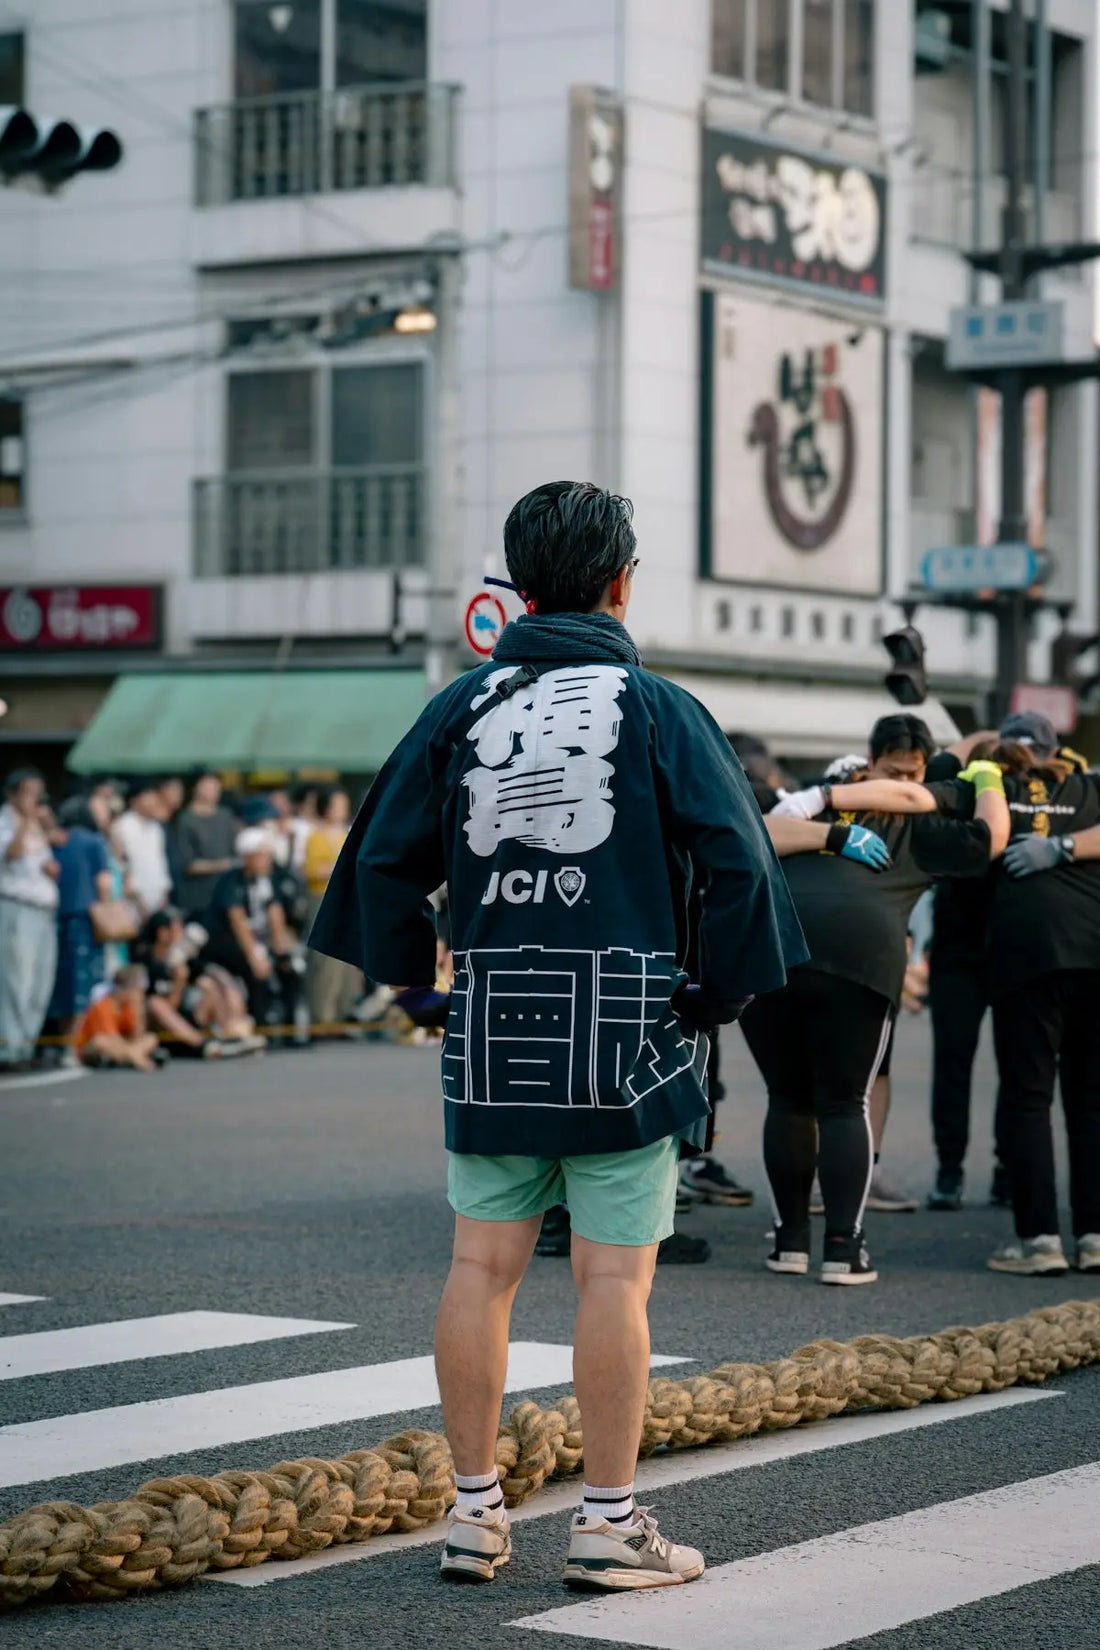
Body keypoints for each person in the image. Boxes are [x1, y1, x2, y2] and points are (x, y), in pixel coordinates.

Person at [312, 480, 805, 1591]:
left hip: (491, 1016)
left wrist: (414, 986)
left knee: (479, 1265)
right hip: (622, 1020)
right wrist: (710, 997)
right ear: (622, 581)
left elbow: (381, 857)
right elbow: (737, 861)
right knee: (611, 1284)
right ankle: (607, 1520)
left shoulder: (460, 706)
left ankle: (472, 1511)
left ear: (517, 585)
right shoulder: (656, 706)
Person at [752, 714, 1009, 1285]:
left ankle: (790, 1242)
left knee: (788, 1099)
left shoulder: (810, 802)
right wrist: (987, 779)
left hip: (772, 944)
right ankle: (843, 1249)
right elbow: (993, 837)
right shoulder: (921, 824)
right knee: (845, 1102)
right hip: (856, 950)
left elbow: (750, 832)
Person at [946, 714, 1100, 1276]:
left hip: (1027, 955)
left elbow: (943, 773)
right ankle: (1093, 1236)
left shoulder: (989, 783)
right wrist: (1066, 844)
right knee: (1090, 1103)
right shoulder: (1088, 785)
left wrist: (1051, 847)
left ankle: (1039, 1241)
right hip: (1094, 950)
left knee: (1028, 1097)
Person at [203, 826, 306, 1039]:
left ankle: (290, 1029)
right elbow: (237, 920)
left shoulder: (268, 879)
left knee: (290, 968)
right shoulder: (232, 880)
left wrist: (281, 951)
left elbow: (275, 913)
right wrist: (256, 956)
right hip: (228, 940)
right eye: (262, 855)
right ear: (247, 856)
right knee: (255, 970)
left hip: (259, 937)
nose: (267, 859)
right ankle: (260, 1027)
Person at [135, 909, 265, 1057]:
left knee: (209, 986)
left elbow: (213, 974)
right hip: (161, 1028)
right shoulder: (146, 963)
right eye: (177, 928)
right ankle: (203, 1045)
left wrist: (227, 991)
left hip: (185, 1021)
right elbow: (166, 1009)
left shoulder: (182, 960)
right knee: (155, 1003)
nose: (182, 932)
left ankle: (229, 1035)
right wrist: (179, 983)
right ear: (162, 933)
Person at [0, 768, 60, 1071]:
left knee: (40, 981)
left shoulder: (38, 823)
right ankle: (9, 1049)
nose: (35, 799)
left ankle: (27, 1044)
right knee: (16, 981)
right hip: (16, 908)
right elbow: (10, 854)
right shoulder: (5, 822)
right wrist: (26, 821)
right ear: (13, 794)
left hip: (44, 909)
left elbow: (51, 854)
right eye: (29, 792)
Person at [48, 794, 114, 1048]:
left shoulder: (57, 842)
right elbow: (103, 882)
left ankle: (62, 1039)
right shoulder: (94, 842)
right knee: (85, 983)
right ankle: (75, 1042)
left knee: (63, 980)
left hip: (57, 917)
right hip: (87, 917)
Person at [303, 787, 362, 1030]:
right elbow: (311, 871)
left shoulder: (348, 832)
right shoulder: (315, 836)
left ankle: (344, 1011)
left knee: (348, 961)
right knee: (326, 960)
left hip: (348, 898)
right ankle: (324, 1017)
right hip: (323, 898)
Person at [73, 965, 161, 1072]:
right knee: (100, 1041)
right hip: (95, 1046)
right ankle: (133, 1057)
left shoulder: (128, 1007)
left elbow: (137, 1036)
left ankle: (128, 1057)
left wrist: (139, 1011)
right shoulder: (103, 1006)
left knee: (151, 1038)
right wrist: (133, 1050)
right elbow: (111, 1037)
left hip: (120, 1045)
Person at [174, 771, 238, 918]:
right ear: (197, 788)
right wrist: (221, 865)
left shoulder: (226, 816)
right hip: (197, 898)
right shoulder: (185, 820)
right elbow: (186, 864)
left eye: (216, 787)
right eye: (209, 786)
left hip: (226, 895)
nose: (214, 791)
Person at [115, 779, 172, 917]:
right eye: (149, 796)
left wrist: (164, 892)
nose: (154, 801)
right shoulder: (122, 826)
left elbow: (161, 862)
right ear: (134, 800)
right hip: (131, 901)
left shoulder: (156, 828)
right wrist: (137, 899)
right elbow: (121, 866)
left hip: (158, 899)